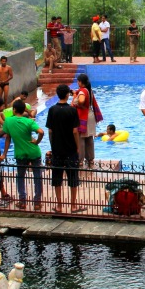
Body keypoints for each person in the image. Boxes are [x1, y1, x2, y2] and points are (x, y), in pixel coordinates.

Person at [45, 84, 83, 213]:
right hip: (70, 148)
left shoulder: (52, 110)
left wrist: (52, 145)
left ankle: (59, 205)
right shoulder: (72, 110)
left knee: (57, 178)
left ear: (57, 94)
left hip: (57, 148)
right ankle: (73, 205)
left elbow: (50, 131)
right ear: (68, 95)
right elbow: (74, 131)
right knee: (73, 177)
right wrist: (77, 147)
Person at [1, 99, 45, 210]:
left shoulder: (8, 121)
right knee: (37, 177)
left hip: (20, 153)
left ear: (14, 110)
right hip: (34, 151)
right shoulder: (29, 121)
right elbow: (41, 132)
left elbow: (8, 138)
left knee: (20, 177)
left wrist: (4, 154)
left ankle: (22, 201)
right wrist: (37, 142)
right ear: (24, 110)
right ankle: (37, 202)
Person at [74, 73, 101, 167]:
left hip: (83, 117)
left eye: (78, 81)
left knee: (81, 139)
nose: (77, 83)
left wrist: (79, 104)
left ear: (81, 82)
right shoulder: (90, 90)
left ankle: (80, 160)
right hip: (90, 116)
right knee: (89, 138)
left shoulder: (82, 91)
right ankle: (90, 159)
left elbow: (81, 100)